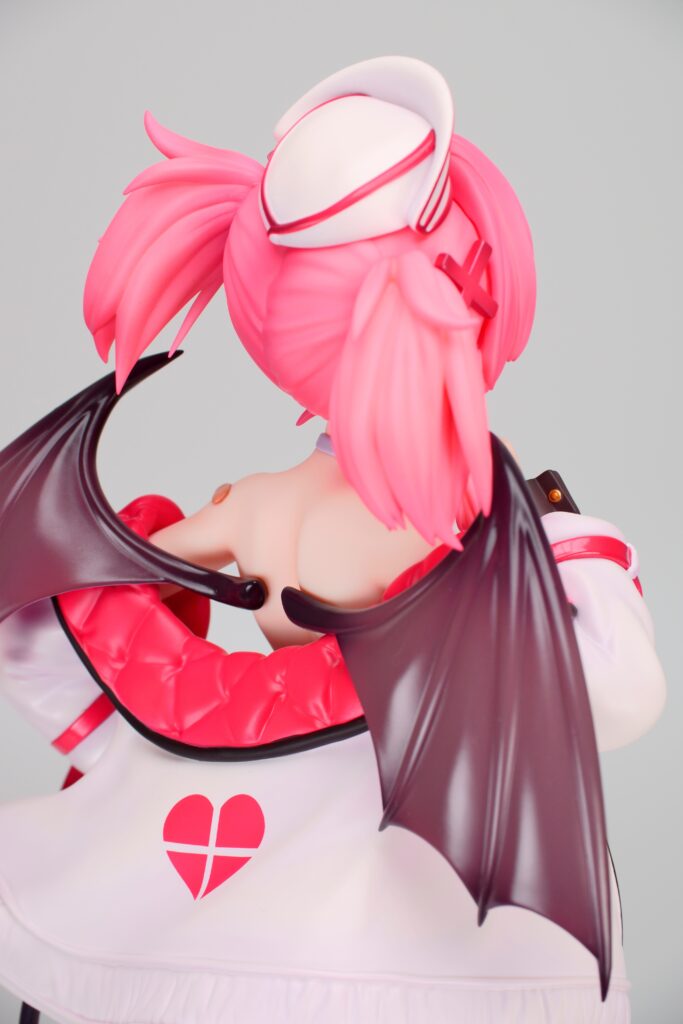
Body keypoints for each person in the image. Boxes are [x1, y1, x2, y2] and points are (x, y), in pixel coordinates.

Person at [0, 56, 665, 1024]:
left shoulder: (258, 507)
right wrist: (565, 538)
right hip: (402, 870)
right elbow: (617, 688)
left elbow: (98, 591)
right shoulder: (478, 510)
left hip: (236, 869)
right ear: (459, 296)